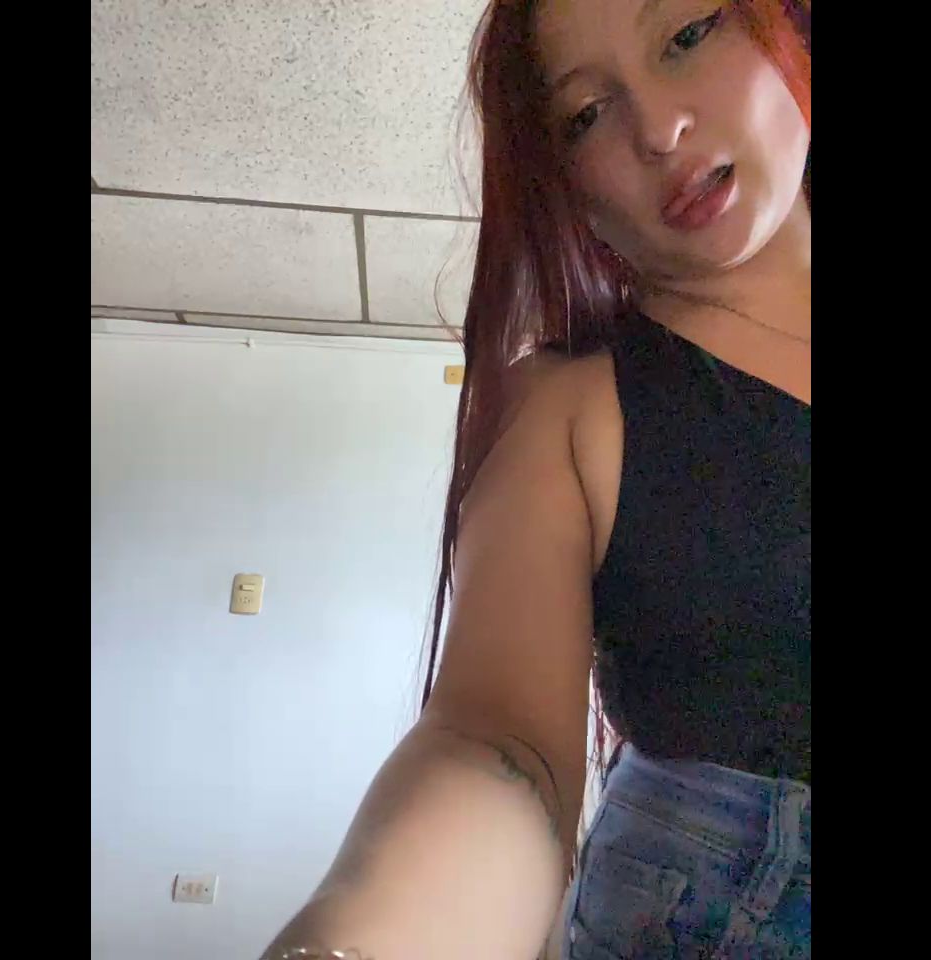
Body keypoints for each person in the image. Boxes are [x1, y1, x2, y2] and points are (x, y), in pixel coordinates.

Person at [260, 0, 810, 957]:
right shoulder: (571, 408)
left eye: (687, 35)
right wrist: (363, 938)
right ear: (564, 185)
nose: (658, 129)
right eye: (585, 114)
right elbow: (497, 744)